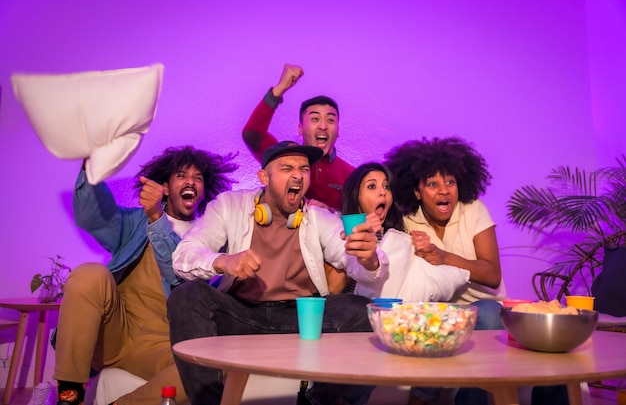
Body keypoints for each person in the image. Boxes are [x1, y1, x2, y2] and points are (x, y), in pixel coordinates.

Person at [168, 141, 387, 405]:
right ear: (264, 177)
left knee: (365, 312)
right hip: (242, 315)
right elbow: (183, 256)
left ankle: (313, 402)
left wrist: (369, 258)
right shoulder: (229, 206)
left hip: (301, 319)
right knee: (186, 296)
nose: (298, 175)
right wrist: (223, 261)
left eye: (304, 169)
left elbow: (350, 258)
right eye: (287, 168)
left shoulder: (318, 216)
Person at [384, 137, 568, 405]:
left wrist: (445, 257)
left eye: (450, 182)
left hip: (486, 308)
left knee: (494, 317)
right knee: (431, 327)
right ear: (416, 192)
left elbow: (492, 275)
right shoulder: (406, 221)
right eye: (432, 184)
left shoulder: (474, 210)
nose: (444, 191)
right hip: (436, 311)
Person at [54, 146, 238, 405]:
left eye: (197, 178)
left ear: (203, 191)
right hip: (115, 332)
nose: (190, 182)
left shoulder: (212, 241)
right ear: (165, 186)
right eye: (182, 175)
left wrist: (157, 217)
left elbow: (182, 280)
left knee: (208, 370)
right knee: (89, 274)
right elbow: (91, 218)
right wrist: (90, 164)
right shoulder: (134, 222)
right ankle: (69, 396)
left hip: (165, 345)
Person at [242, 63, 355, 293]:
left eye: (331, 120)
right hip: (280, 259)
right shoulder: (281, 159)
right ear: (300, 129)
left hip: (328, 265)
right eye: (314, 119)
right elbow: (252, 134)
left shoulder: (352, 175)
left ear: (338, 130)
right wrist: (279, 89)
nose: (323, 125)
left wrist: (331, 215)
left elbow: (361, 225)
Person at [342, 162, 470, 302]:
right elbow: (353, 271)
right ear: (356, 196)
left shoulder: (400, 237)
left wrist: (425, 253)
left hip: (399, 314)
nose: (383, 192)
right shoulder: (341, 230)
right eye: (372, 186)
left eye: (387, 186)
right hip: (356, 312)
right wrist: (363, 237)